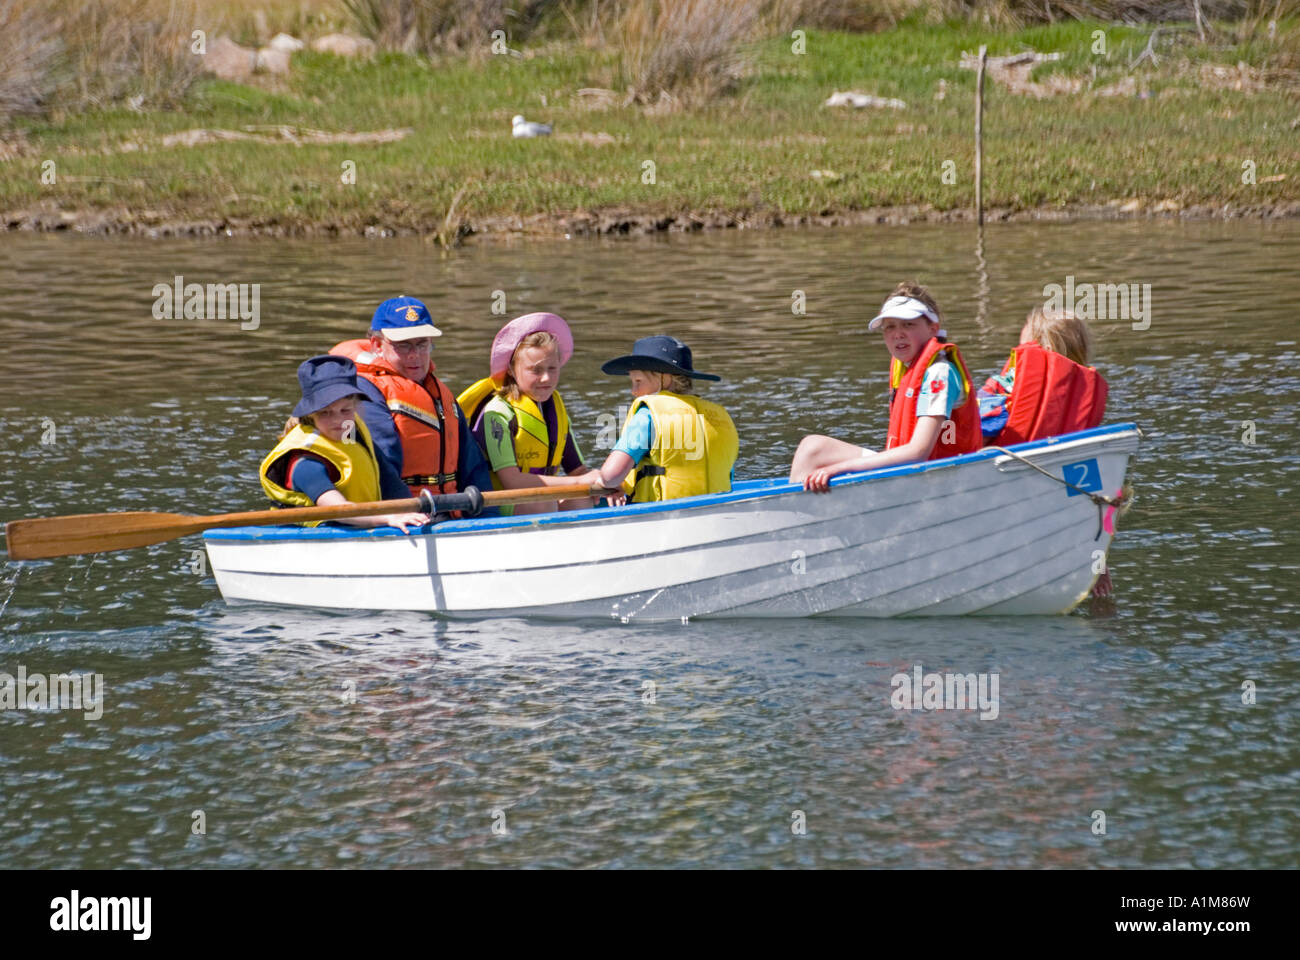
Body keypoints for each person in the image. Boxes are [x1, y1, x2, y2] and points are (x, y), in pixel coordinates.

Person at [790, 282, 981, 492]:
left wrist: (836, 469)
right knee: (812, 447)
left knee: (815, 452)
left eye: (908, 324)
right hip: (915, 474)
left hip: (940, 479)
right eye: (890, 326)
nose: (897, 334)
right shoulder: (908, 368)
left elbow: (918, 451)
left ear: (933, 328)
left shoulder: (939, 372)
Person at [329, 295, 495, 512]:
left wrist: (489, 516)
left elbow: (473, 467)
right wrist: (403, 515)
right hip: (406, 514)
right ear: (377, 345)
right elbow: (383, 466)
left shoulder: (440, 393)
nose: (415, 355)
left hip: (450, 512)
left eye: (422, 344)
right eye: (404, 345)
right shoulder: (366, 392)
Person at [260, 355, 429, 530]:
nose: (338, 420)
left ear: (356, 407)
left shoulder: (353, 433)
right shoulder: (306, 460)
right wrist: (388, 518)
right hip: (318, 540)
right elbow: (338, 509)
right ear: (311, 413)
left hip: (365, 526)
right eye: (326, 413)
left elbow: (392, 485)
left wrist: (413, 514)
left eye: (345, 410)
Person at [457, 312, 595, 515]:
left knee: (582, 500)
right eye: (535, 370)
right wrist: (579, 482)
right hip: (495, 504)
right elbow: (512, 481)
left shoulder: (554, 407)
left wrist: (604, 480)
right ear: (511, 369)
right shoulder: (497, 413)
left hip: (537, 500)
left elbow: (578, 470)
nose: (546, 378)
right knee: (543, 502)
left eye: (552, 368)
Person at [582, 335, 738, 503]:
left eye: (638, 381)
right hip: (717, 506)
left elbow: (611, 475)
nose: (633, 391)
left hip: (664, 511)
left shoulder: (649, 414)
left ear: (666, 378)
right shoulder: (719, 416)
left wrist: (605, 482)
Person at [977, 305, 1108, 445]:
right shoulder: (1085, 390)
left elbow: (979, 434)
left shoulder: (1005, 387)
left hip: (1007, 455)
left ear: (1044, 350)